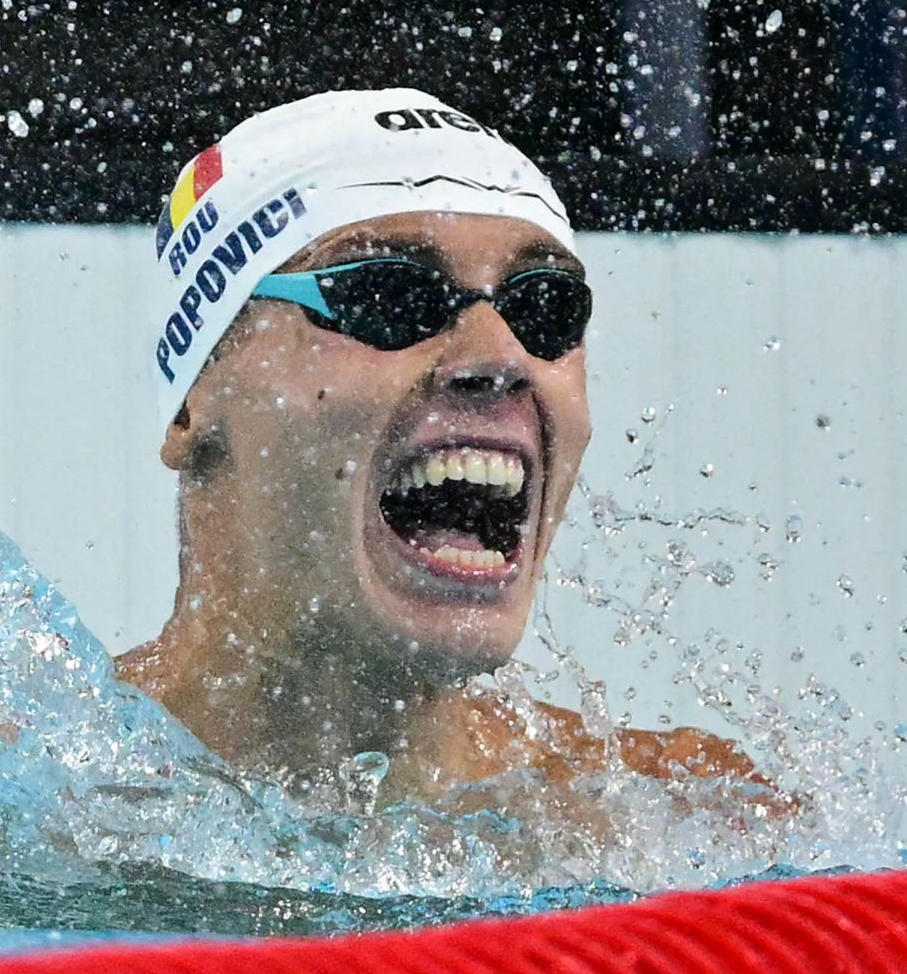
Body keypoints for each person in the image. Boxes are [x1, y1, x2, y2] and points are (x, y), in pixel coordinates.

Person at [116, 89, 764, 810]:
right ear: (190, 404)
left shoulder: (677, 810)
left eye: (543, 307)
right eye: (391, 296)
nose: (500, 357)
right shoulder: (19, 791)